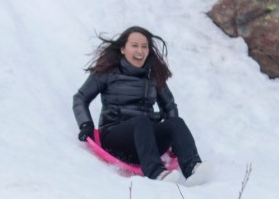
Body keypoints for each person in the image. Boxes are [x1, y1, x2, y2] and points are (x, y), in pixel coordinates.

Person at [73, 26, 204, 183]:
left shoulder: (153, 76)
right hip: (116, 138)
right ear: (123, 48)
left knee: (176, 123)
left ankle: (192, 167)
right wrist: (85, 125)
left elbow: (169, 106)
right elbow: (80, 98)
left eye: (144, 46)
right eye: (134, 45)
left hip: (146, 139)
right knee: (141, 121)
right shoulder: (107, 72)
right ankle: (157, 172)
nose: (140, 51)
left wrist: (174, 142)